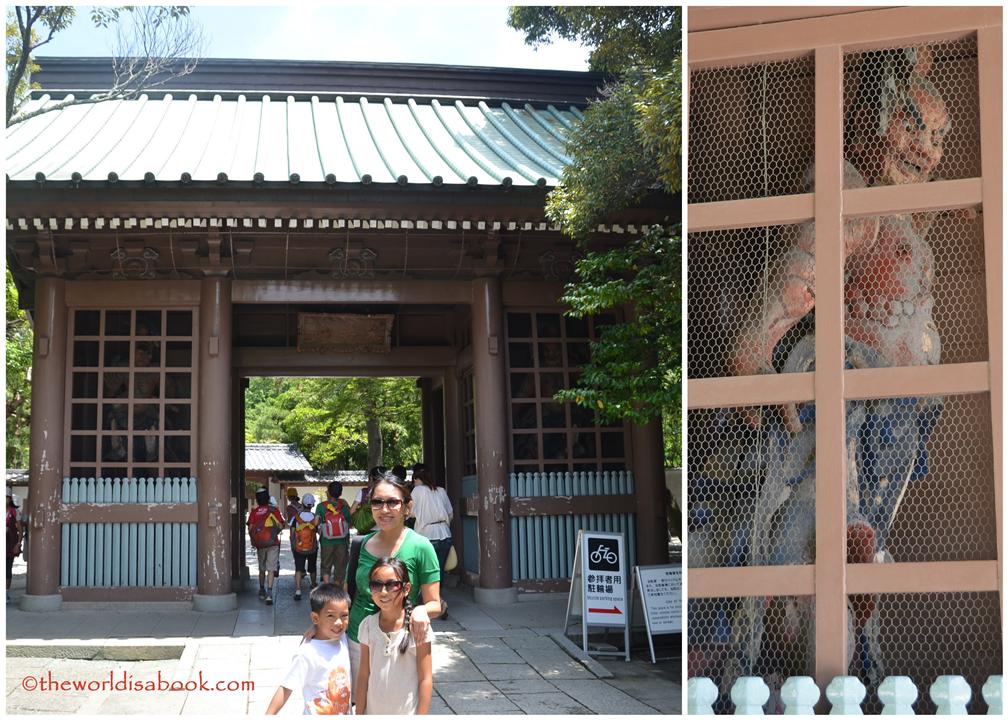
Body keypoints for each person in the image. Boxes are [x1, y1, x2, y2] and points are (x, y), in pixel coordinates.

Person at [717, 46, 953, 692]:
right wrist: (753, 347)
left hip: (902, 415)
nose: (927, 150)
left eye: (939, 137)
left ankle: (858, 569)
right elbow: (804, 274)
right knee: (811, 540)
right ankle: (810, 639)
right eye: (911, 127)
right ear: (870, 123)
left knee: (851, 544)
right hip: (846, 398)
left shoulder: (899, 209)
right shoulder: (852, 193)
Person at [308, 471, 441, 688]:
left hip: (400, 640)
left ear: (407, 507)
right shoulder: (361, 544)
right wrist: (323, 622)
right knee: (356, 703)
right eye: (377, 502)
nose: (384, 509)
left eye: (392, 502)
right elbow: (346, 593)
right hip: (356, 641)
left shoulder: (421, 546)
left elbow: (435, 603)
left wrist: (421, 610)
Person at [355, 558, 434, 715]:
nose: (383, 592)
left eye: (392, 585)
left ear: (406, 588)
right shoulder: (367, 626)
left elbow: (425, 679)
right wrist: (358, 712)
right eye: (376, 585)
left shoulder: (417, 627)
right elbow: (364, 675)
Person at [266, 583, 352, 715]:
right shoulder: (307, 653)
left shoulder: (343, 639)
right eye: (331, 616)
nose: (339, 622)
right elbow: (286, 687)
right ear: (315, 618)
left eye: (344, 616)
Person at [409, 463, 453, 618]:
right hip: (444, 534)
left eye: (414, 480)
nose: (413, 483)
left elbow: (411, 513)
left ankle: (438, 603)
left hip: (427, 535)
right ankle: (436, 601)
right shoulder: (441, 491)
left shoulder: (417, 491)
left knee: (424, 572)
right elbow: (450, 512)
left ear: (418, 479)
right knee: (438, 571)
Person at [247, 487, 285, 605]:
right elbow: (281, 525)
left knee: (262, 568)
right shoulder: (274, 510)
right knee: (271, 568)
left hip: (260, 544)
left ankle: (262, 589)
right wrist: (274, 532)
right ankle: (269, 592)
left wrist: (254, 540)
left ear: (257, 500)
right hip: (273, 543)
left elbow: (250, 528)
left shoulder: (254, 512)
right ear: (268, 498)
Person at [315, 481, 352, 587]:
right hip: (342, 541)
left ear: (329, 493)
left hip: (326, 541)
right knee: (340, 565)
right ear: (340, 493)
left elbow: (316, 522)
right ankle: (337, 587)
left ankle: (327, 586)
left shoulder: (321, 506)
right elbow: (350, 523)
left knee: (326, 564)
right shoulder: (343, 507)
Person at [291, 493, 320, 601]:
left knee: (298, 568)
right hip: (312, 548)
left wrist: (294, 545)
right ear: (312, 505)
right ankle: (313, 586)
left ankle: (298, 590)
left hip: (299, 547)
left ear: (302, 504)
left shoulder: (296, 517)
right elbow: (319, 531)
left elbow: (292, 533)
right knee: (312, 567)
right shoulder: (315, 517)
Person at [6, 489, 22, 604]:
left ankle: (5, 593)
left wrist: (18, 544)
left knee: (7, 569)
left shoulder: (14, 512)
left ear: (9, 499)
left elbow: (20, 530)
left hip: (9, 544)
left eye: (6, 497)